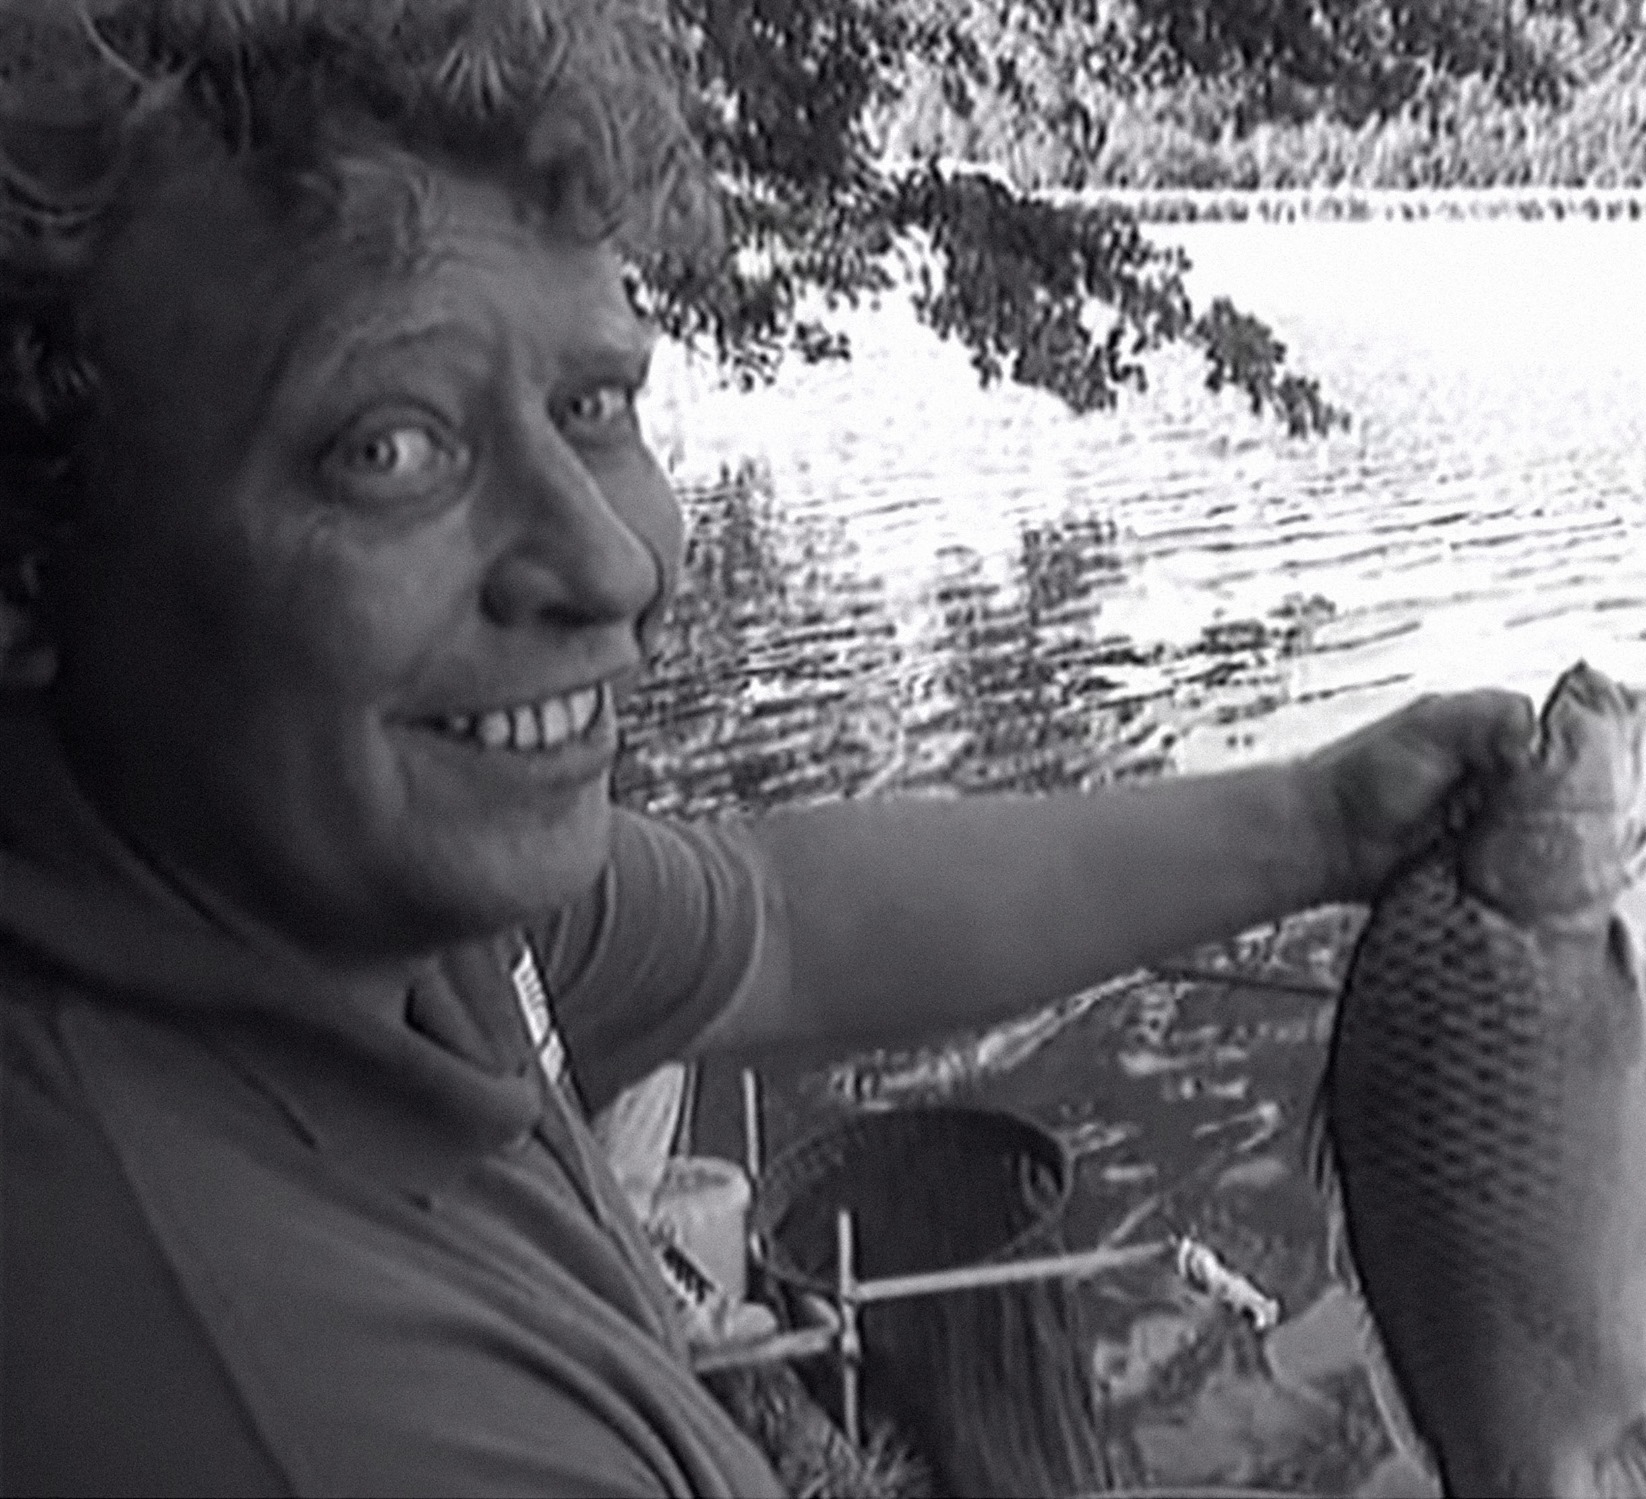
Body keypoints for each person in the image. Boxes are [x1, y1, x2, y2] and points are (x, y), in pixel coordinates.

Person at [0, 4, 1534, 1494]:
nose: (612, 563)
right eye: (388, 448)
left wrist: (1322, 825)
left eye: (595, 403)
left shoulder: (362, 902)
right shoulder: (308, 1416)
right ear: (27, 564)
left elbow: (786, 921)